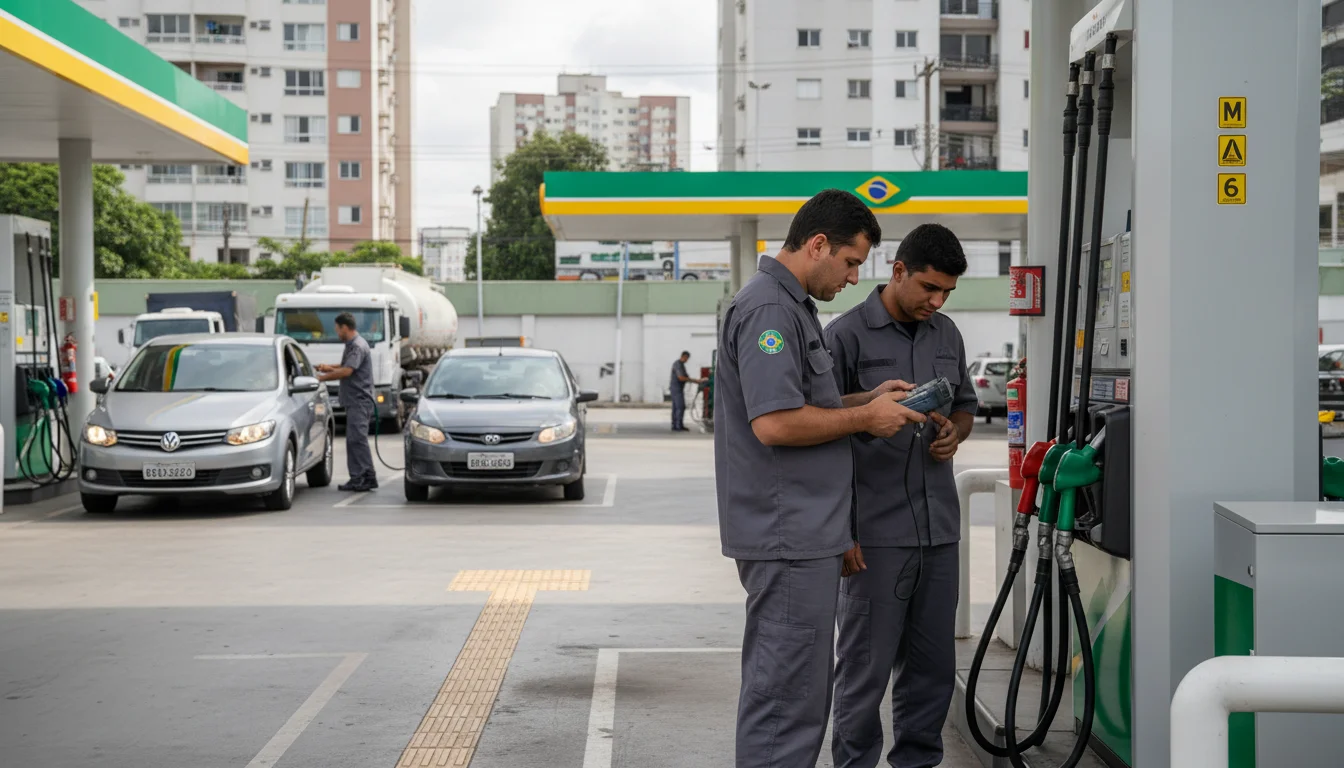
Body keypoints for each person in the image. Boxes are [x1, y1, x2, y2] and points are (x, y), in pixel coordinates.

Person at [714, 188, 925, 768]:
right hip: (787, 533)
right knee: (784, 697)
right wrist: (864, 417)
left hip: (805, 532)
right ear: (817, 245)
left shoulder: (791, 307)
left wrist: (866, 397)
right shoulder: (769, 312)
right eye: (852, 262)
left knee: (799, 690)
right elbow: (776, 423)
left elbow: (803, 402)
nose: (855, 278)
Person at [824, 223, 979, 768]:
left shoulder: (947, 335)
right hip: (874, 537)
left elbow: (965, 405)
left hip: (938, 532)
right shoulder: (845, 335)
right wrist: (840, 533)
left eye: (947, 294)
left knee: (932, 671)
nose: (936, 302)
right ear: (897, 272)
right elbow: (819, 433)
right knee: (864, 672)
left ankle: (917, 762)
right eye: (929, 288)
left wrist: (954, 434)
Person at [316, 312, 377, 492]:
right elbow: (345, 365)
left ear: (344, 327)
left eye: (337, 329)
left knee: (357, 440)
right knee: (353, 441)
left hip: (359, 401)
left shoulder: (357, 346)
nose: (337, 333)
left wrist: (322, 378)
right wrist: (329, 367)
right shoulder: (353, 345)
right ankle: (358, 477)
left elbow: (347, 371)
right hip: (354, 401)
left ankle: (366, 477)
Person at [670, 351, 704, 431]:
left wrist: (694, 380)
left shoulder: (681, 365)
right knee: (680, 407)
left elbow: (685, 376)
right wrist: (695, 381)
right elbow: (681, 377)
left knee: (677, 407)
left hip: (677, 389)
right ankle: (677, 426)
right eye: (687, 358)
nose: (687, 360)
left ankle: (676, 425)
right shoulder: (678, 364)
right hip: (676, 389)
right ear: (684, 356)